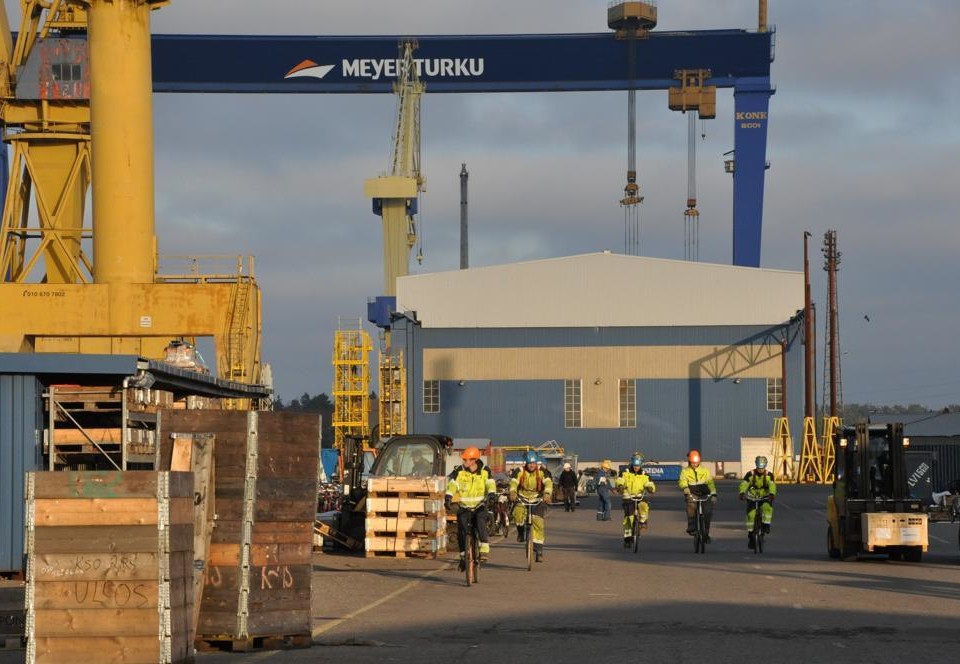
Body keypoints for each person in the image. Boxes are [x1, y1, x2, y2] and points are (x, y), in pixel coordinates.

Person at [445, 446, 497, 569]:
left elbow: (490, 484)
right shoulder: (459, 471)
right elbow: (452, 484)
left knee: (480, 522)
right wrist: (448, 496)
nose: (464, 462)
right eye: (464, 460)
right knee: (462, 531)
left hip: (480, 506)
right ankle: (463, 557)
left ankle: (484, 550)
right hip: (464, 507)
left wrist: (491, 495)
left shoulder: (485, 471)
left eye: (466, 460)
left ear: (474, 460)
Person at [510, 450, 554, 562]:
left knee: (538, 523)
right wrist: (513, 492)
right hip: (522, 498)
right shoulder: (518, 471)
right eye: (529, 463)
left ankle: (538, 551)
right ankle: (520, 532)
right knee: (518, 514)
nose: (532, 465)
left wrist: (547, 494)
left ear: (537, 463)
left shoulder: (543, 472)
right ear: (526, 463)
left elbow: (548, 483)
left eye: (534, 463)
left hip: (538, 499)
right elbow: (514, 482)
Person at [616, 454, 656, 548]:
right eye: (634, 465)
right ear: (632, 464)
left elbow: (650, 483)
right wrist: (620, 486)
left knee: (644, 506)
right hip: (628, 497)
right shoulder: (625, 472)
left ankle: (643, 521)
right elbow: (619, 480)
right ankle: (627, 540)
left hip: (640, 496)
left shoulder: (645, 475)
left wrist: (650, 488)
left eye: (638, 466)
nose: (636, 468)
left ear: (641, 465)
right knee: (628, 519)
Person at [677, 449, 717, 542]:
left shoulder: (705, 471)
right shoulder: (685, 471)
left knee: (707, 512)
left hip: (705, 494)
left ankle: (706, 533)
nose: (694, 465)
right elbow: (682, 481)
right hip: (692, 494)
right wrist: (686, 489)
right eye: (692, 463)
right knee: (691, 507)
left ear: (699, 461)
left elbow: (710, 483)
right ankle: (692, 528)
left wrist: (714, 494)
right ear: (689, 462)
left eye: (696, 463)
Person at [738, 455, 777, 549]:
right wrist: (742, 493)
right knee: (750, 515)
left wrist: (772, 494)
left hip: (764, 497)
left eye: (762, 468)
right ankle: (751, 534)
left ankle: (765, 525)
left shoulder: (769, 475)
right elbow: (744, 484)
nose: (760, 470)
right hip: (752, 497)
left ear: (765, 466)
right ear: (756, 465)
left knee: (767, 508)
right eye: (759, 468)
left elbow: (772, 486)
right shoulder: (750, 474)